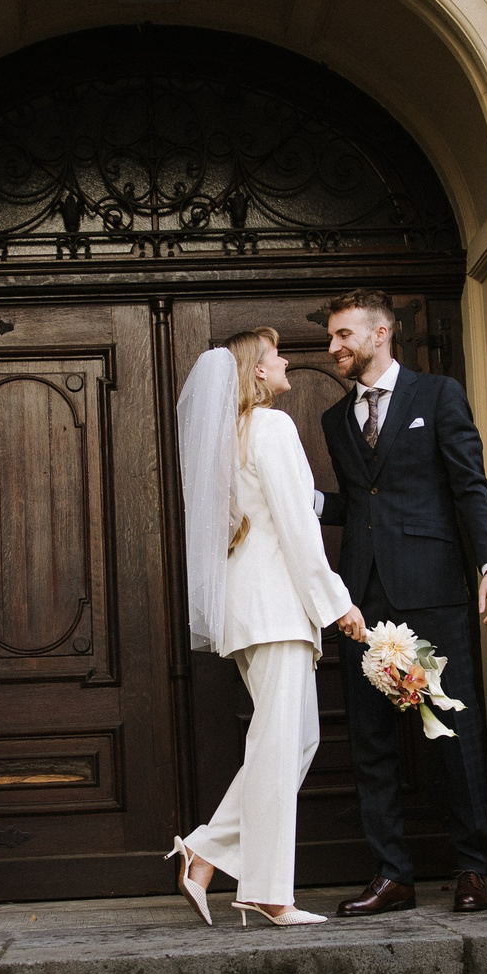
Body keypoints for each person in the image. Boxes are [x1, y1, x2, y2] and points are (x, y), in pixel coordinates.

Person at [314, 290, 487, 916]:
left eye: (345, 335)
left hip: (431, 593)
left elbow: (468, 485)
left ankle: (473, 866)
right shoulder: (335, 422)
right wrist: (305, 503)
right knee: (371, 742)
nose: (334, 348)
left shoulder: (438, 396)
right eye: (332, 338)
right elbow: (360, 501)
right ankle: (392, 874)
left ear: (381, 333)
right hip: (362, 601)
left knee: (452, 729)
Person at [168, 328, 368, 926]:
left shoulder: (230, 437)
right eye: (275, 355)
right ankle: (270, 891)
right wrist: (337, 603)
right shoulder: (272, 428)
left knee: (293, 741)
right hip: (276, 609)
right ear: (257, 372)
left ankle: (206, 852)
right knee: (281, 746)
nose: (286, 362)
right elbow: (295, 526)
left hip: (251, 611)